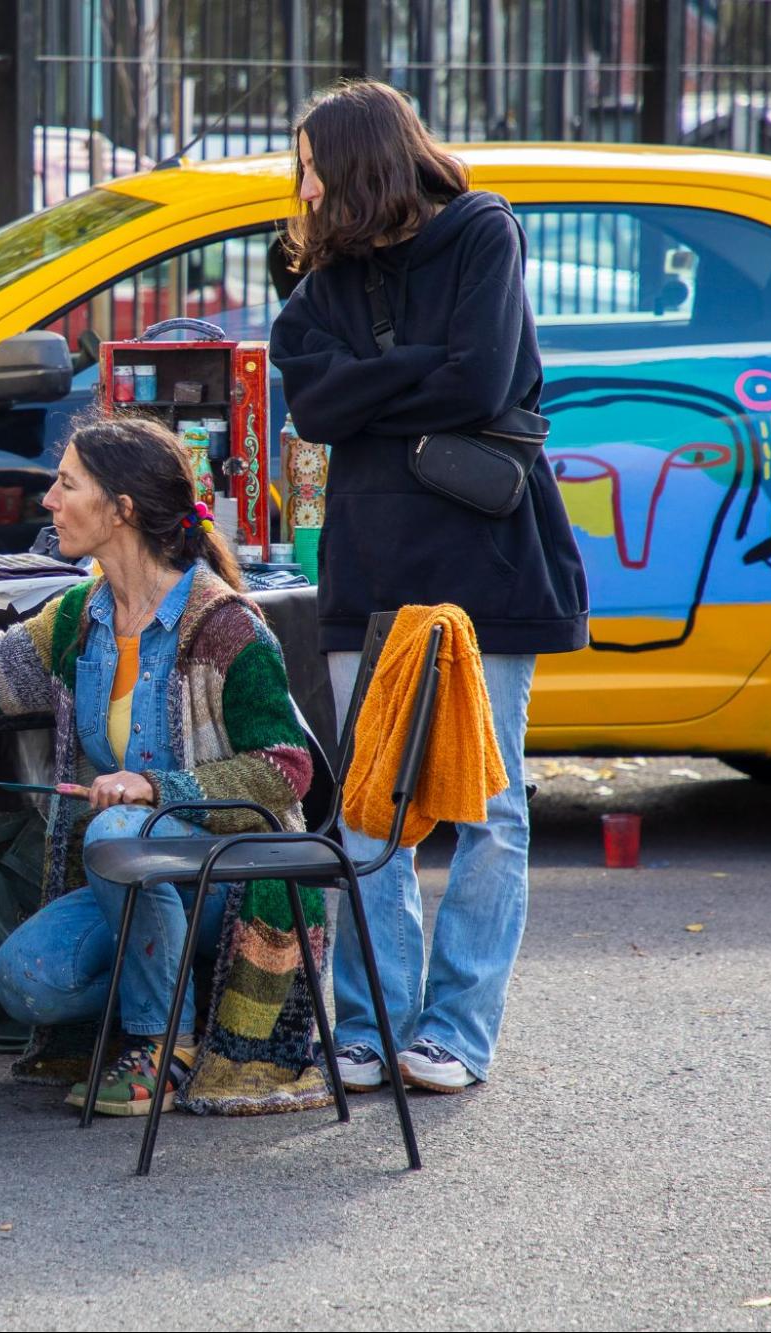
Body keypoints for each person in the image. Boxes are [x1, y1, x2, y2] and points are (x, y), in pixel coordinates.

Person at [269, 80, 588, 1094]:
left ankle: (453, 1030)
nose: (302, 182)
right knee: (369, 808)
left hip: (485, 560)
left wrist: (373, 382)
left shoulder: (480, 232)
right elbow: (311, 403)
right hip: (368, 567)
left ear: (359, 160)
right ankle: (368, 1026)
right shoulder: (321, 279)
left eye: (312, 162)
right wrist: (415, 368)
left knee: (486, 807)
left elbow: (481, 382)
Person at [0, 415, 314, 1116]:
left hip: (227, 878)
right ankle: (184, 984)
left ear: (120, 510)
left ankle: (165, 1041)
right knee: (24, 980)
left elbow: (285, 770)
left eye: (66, 484)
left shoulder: (225, 624)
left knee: (116, 827)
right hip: (130, 874)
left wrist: (156, 788)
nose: (48, 501)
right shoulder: (79, 617)